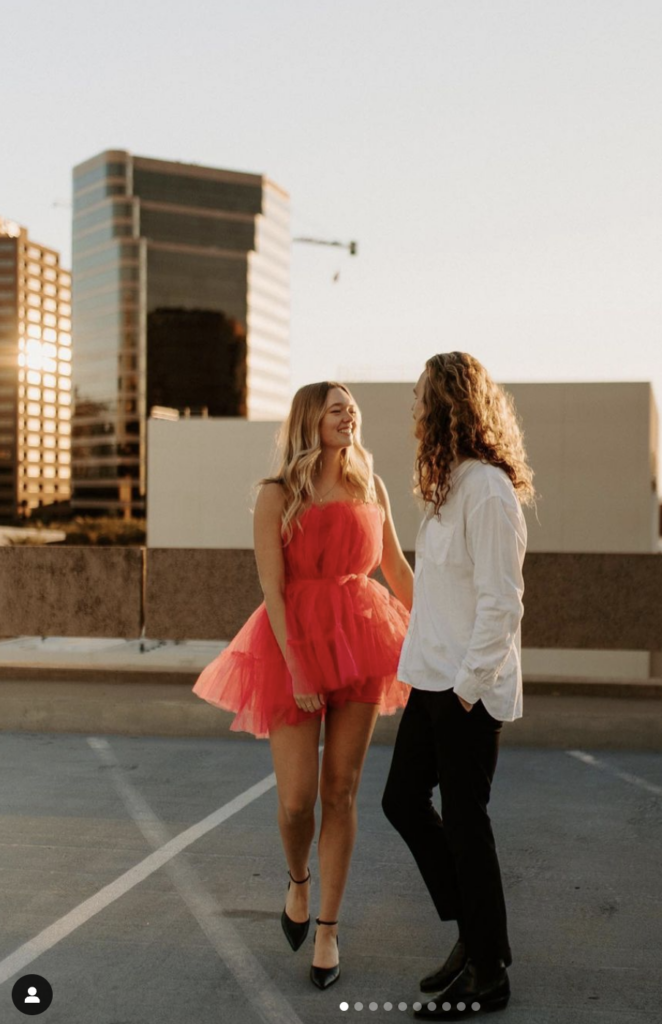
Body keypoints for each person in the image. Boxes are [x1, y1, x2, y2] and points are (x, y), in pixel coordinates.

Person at [193, 381, 414, 990]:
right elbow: (272, 588)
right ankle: (297, 883)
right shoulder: (276, 494)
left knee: (340, 791)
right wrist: (298, 667)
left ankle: (328, 932)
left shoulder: (372, 485)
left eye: (352, 408)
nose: (350, 416)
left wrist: (431, 641)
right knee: (297, 802)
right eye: (336, 409)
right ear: (309, 422)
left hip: (364, 640)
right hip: (292, 646)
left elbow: (394, 570)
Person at [382, 353, 534, 1019]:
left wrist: (468, 689)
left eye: (421, 398)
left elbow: (503, 603)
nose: (413, 409)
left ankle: (487, 970)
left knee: (467, 825)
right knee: (400, 801)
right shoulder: (447, 489)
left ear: (445, 408)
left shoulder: (488, 492)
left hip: (466, 688)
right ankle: (473, 937)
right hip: (431, 679)